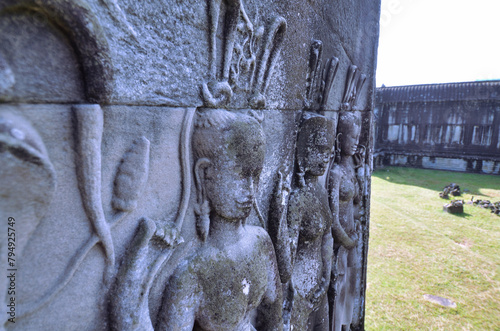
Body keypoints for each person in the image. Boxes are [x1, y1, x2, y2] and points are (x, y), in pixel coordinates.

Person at [155, 109, 283, 331]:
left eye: (256, 175)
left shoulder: (260, 242)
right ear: (204, 173)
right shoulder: (192, 274)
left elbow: (274, 313)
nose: (250, 190)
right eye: (239, 175)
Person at [275, 112, 354, 331]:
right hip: (299, 289)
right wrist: (278, 213)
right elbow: (285, 262)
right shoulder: (298, 199)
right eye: (318, 150)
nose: (325, 157)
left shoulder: (319, 192)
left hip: (320, 283)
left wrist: (326, 277)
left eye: (328, 152)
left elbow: (327, 236)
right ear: (302, 152)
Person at [327, 111, 364, 331]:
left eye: (358, 138)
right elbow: (332, 217)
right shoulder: (336, 173)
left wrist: (360, 171)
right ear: (340, 138)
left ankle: (346, 326)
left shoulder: (350, 169)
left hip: (351, 236)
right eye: (352, 137)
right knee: (338, 288)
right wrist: (347, 241)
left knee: (351, 285)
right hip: (340, 242)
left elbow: (358, 200)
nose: (356, 143)